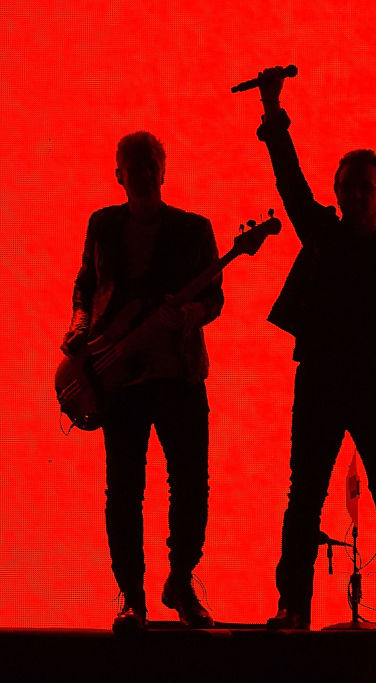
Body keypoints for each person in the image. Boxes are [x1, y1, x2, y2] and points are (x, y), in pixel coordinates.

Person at [252, 67, 376, 631]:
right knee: (305, 496)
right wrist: (273, 114)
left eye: (364, 188)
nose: (354, 196)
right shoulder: (325, 235)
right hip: (323, 384)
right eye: (347, 187)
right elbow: (290, 184)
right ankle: (293, 607)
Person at [62, 131, 223, 632]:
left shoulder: (194, 229)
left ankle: (181, 580)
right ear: (119, 175)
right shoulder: (102, 224)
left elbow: (214, 298)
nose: (143, 174)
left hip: (179, 373)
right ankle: (133, 597)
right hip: (118, 377)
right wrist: (79, 328)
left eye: (150, 165)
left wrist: (190, 314)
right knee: (124, 490)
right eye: (134, 167)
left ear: (164, 171)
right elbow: (86, 285)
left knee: (191, 485)